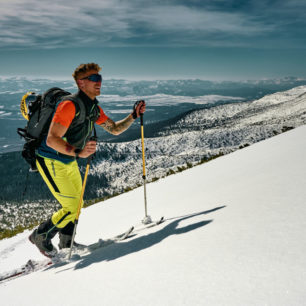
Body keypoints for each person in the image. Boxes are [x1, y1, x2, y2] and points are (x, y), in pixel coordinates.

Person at [29, 63, 145, 257]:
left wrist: (133, 115)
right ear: (81, 83)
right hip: (50, 160)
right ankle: (40, 235)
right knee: (71, 206)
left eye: (99, 78)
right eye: (94, 79)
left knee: (77, 202)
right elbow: (51, 140)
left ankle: (67, 243)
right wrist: (78, 152)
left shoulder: (93, 108)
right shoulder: (69, 105)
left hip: (67, 160)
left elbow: (114, 128)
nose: (99, 82)